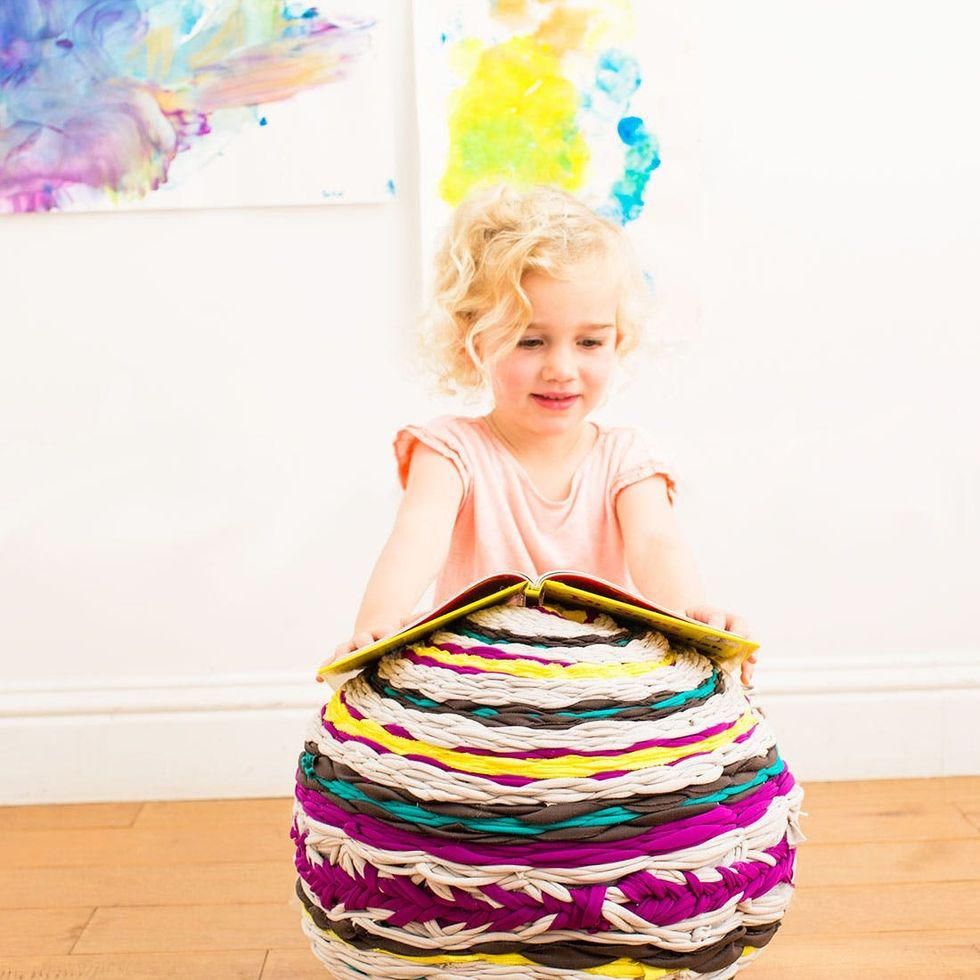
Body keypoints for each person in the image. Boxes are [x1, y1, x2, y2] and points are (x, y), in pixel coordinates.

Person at [321, 183, 758, 685]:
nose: (561, 368)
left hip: (599, 690)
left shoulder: (625, 457)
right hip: (476, 686)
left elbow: (655, 543)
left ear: (620, 339)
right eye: (530, 341)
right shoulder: (450, 451)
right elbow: (418, 535)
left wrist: (697, 626)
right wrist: (376, 629)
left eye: (590, 341)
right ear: (472, 341)